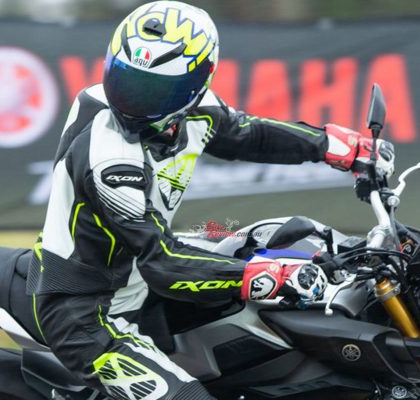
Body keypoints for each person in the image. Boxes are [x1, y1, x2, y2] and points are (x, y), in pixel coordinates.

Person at [27, 1, 395, 399]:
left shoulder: (192, 110)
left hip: (133, 276)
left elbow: (247, 133)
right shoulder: (111, 159)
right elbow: (163, 263)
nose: (133, 102)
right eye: (126, 81)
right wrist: (267, 276)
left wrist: (334, 146)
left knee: (273, 241)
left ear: (195, 86)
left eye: (154, 89)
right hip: (87, 313)